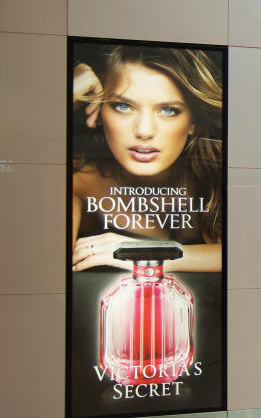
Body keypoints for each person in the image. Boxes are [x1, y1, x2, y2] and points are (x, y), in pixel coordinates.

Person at [72, 44, 223, 272]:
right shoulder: (79, 181)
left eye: (168, 110)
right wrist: (69, 93)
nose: (144, 130)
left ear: (192, 122)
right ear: (99, 111)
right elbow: (40, 267)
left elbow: (249, 256)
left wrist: (144, 253)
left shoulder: (214, 170)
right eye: (123, 106)